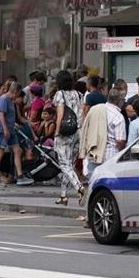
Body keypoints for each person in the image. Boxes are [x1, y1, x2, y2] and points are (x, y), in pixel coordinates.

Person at [52, 70, 84, 205]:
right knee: (69, 164)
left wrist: (57, 131)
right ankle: (63, 195)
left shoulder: (60, 94)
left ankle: (79, 187)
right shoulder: (78, 94)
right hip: (77, 132)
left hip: (64, 133)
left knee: (64, 165)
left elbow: (60, 114)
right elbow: (82, 112)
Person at [0, 85, 31, 186]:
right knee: (0, 152)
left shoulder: (10, 101)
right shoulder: (4, 99)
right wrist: (5, 129)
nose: (18, 96)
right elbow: (1, 115)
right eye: (18, 93)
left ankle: (20, 176)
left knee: (17, 151)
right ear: (15, 91)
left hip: (11, 129)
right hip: (3, 130)